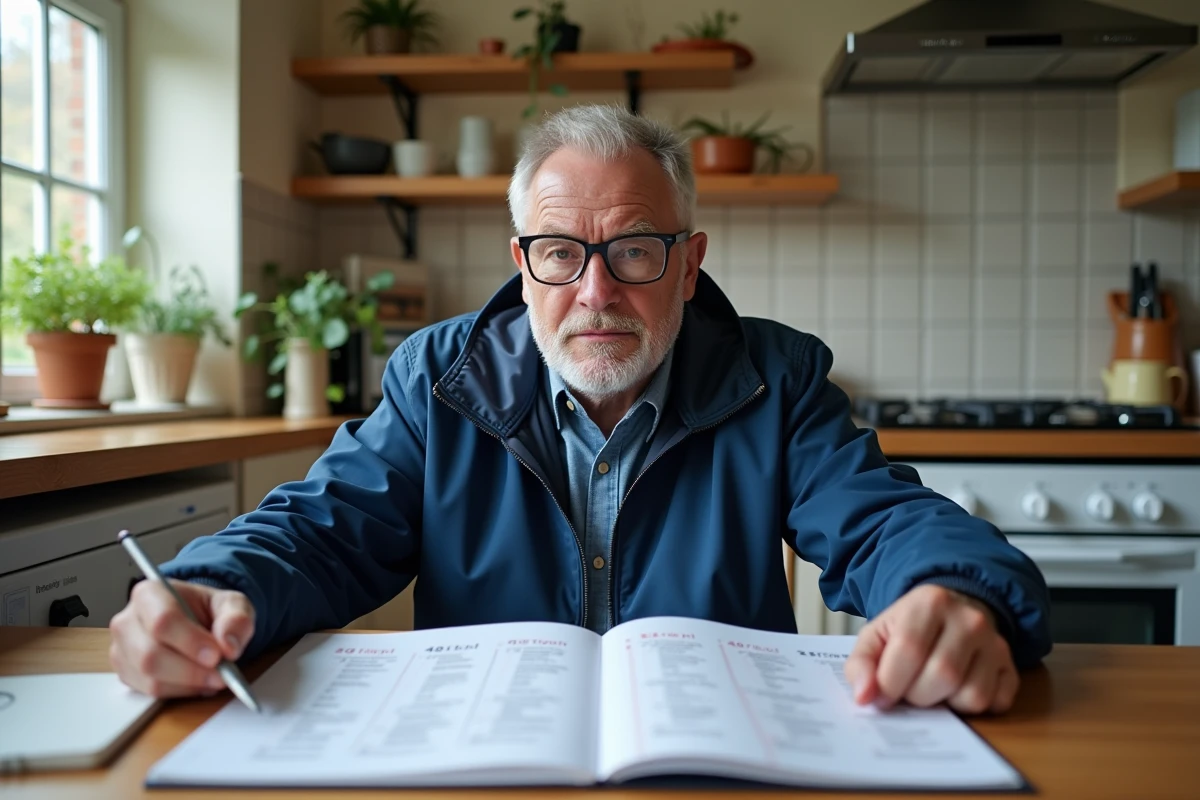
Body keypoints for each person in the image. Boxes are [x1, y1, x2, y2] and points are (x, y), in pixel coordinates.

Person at [110, 105, 1050, 714]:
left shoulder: (776, 376)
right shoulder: (436, 378)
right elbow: (320, 534)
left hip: (716, 768)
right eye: (560, 252)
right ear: (523, 267)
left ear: (689, 265)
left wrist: (953, 592)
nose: (595, 293)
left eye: (634, 251)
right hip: (486, 765)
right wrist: (210, 586)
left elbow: (881, 520)